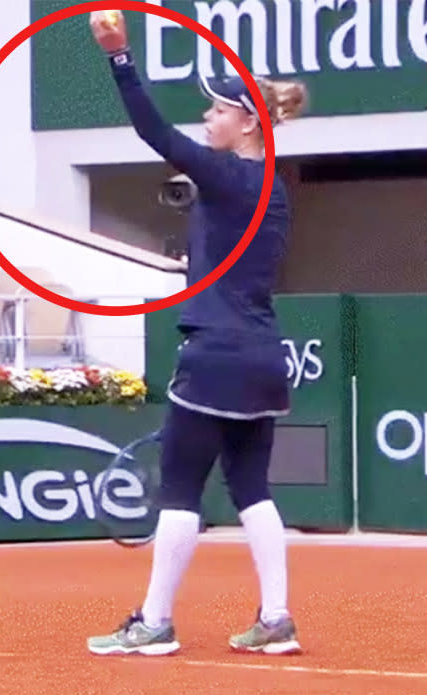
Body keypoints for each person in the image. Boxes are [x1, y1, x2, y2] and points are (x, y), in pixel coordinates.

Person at [83, 12, 307, 657]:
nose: (206, 119)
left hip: (215, 354)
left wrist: (120, 57)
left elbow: (152, 130)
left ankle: (153, 623)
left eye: (216, 111)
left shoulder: (230, 174)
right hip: (264, 358)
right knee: (251, 489)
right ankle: (277, 618)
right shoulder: (272, 188)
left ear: (245, 122)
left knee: (180, 489)